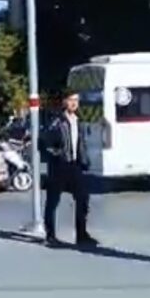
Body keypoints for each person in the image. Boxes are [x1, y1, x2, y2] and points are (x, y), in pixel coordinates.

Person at [42, 90, 97, 247]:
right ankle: (50, 235)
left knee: (82, 198)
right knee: (53, 201)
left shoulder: (78, 121)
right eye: (71, 100)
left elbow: (81, 142)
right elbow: (44, 142)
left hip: (75, 164)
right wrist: (56, 154)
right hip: (59, 165)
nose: (74, 103)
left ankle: (81, 234)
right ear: (64, 101)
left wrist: (84, 160)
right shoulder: (56, 121)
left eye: (76, 100)